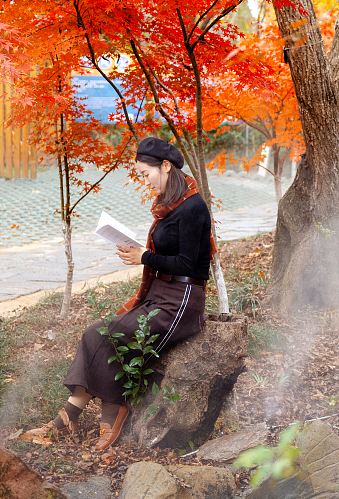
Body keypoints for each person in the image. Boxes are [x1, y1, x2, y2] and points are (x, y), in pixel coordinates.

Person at [24, 137, 213, 451]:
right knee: (93, 333)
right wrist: (140, 252)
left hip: (181, 300)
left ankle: (114, 409)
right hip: (160, 293)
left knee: (110, 335)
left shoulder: (192, 207)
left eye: (145, 173)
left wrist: (143, 257)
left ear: (166, 166)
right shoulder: (171, 207)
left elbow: (190, 265)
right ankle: (69, 416)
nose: (144, 180)